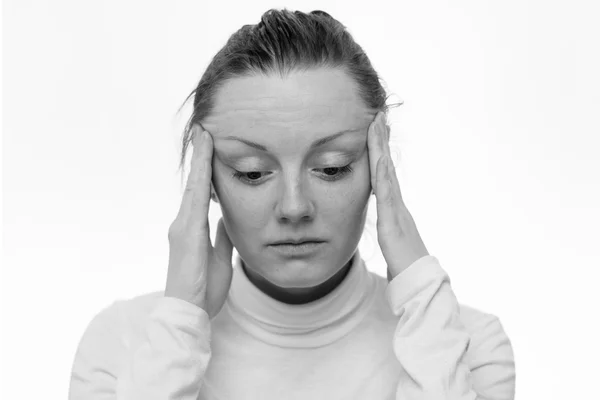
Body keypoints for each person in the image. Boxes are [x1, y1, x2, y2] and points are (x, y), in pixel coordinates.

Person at [68, 8, 516, 400]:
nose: (294, 207)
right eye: (251, 172)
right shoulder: (123, 344)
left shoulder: (465, 346)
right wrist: (183, 321)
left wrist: (420, 285)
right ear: (206, 181)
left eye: (332, 166)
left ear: (378, 166)